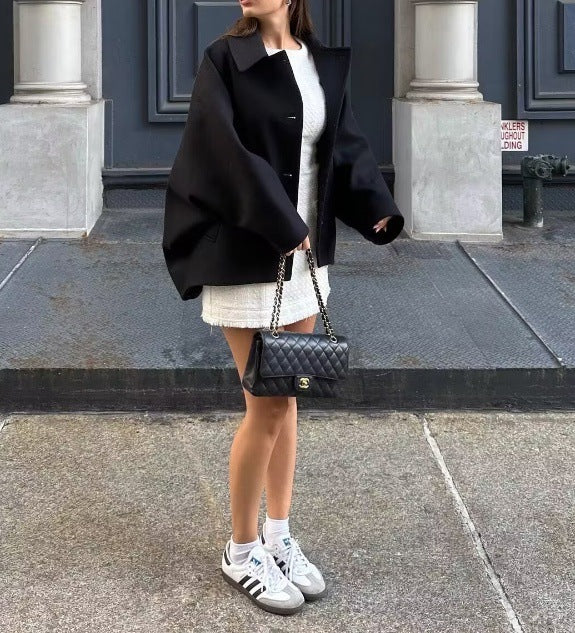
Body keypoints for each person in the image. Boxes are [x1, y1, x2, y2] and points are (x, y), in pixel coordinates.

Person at [163, 0, 404, 617]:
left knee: (288, 397)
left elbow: (342, 145)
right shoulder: (225, 60)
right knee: (265, 406)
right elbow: (220, 154)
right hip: (250, 253)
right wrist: (281, 220)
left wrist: (375, 205)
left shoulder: (317, 62)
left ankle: (277, 537)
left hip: (304, 256)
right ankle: (241, 550)